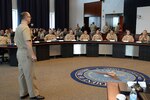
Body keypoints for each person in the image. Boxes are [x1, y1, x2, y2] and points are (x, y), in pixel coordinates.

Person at [14, 12, 45, 100]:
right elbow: (28, 43)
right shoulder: (26, 28)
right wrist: (32, 54)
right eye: (29, 17)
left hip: (19, 52)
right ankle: (34, 94)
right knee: (30, 74)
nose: (30, 18)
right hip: (25, 53)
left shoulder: (18, 27)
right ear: (26, 17)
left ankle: (23, 92)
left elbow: (16, 41)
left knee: (22, 74)